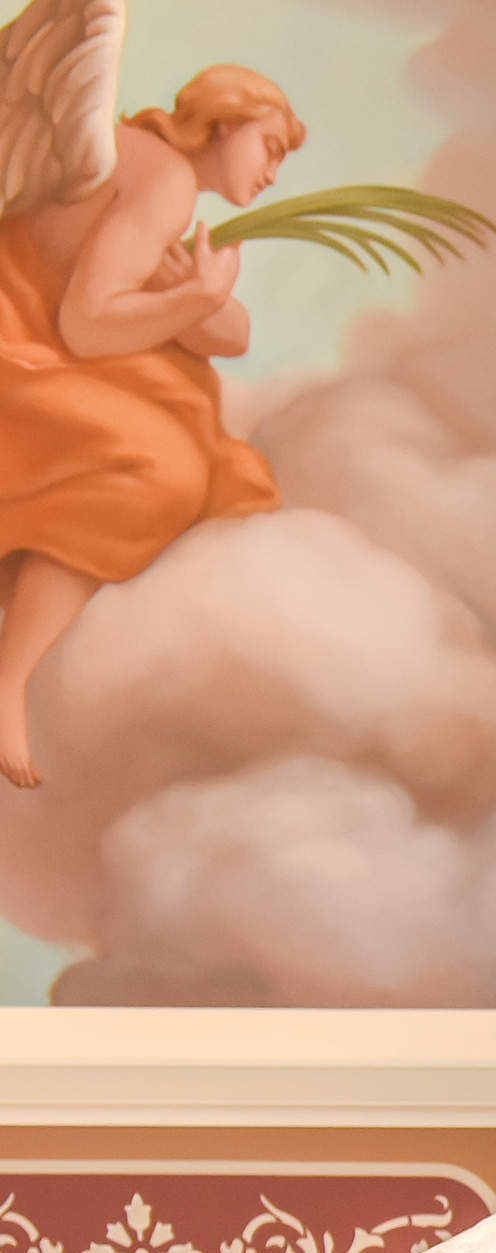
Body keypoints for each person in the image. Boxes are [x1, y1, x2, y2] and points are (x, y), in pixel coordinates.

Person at [0, 64, 299, 788]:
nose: (272, 173)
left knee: (192, 438)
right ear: (224, 125)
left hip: (37, 333)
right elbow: (89, 324)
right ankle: (9, 680)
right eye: (269, 148)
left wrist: (196, 298)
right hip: (21, 350)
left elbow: (226, 331)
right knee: (162, 473)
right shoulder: (164, 181)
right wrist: (194, 298)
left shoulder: (140, 157)